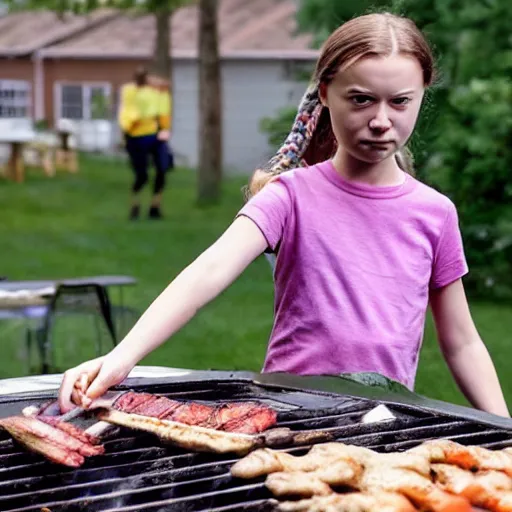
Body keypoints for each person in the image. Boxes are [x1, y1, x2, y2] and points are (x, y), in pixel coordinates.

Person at [60, 13, 509, 417]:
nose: (380, 119)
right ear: (326, 93)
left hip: (382, 421)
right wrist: (121, 358)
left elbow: (462, 341)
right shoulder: (290, 196)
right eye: (361, 100)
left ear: (421, 96)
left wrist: (504, 428)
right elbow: (209, 271)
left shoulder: (434, 214)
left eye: (399, 101)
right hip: (287, 413)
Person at [118, 67, 169, 220]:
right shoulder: (129, 91)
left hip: (154, 135)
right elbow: (131, 114)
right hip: (135, 137)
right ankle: (135, 205)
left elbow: (164, 90)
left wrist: (164, 127)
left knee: (162, 169)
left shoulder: (152, 91)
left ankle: (155, 206)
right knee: (142, 175)